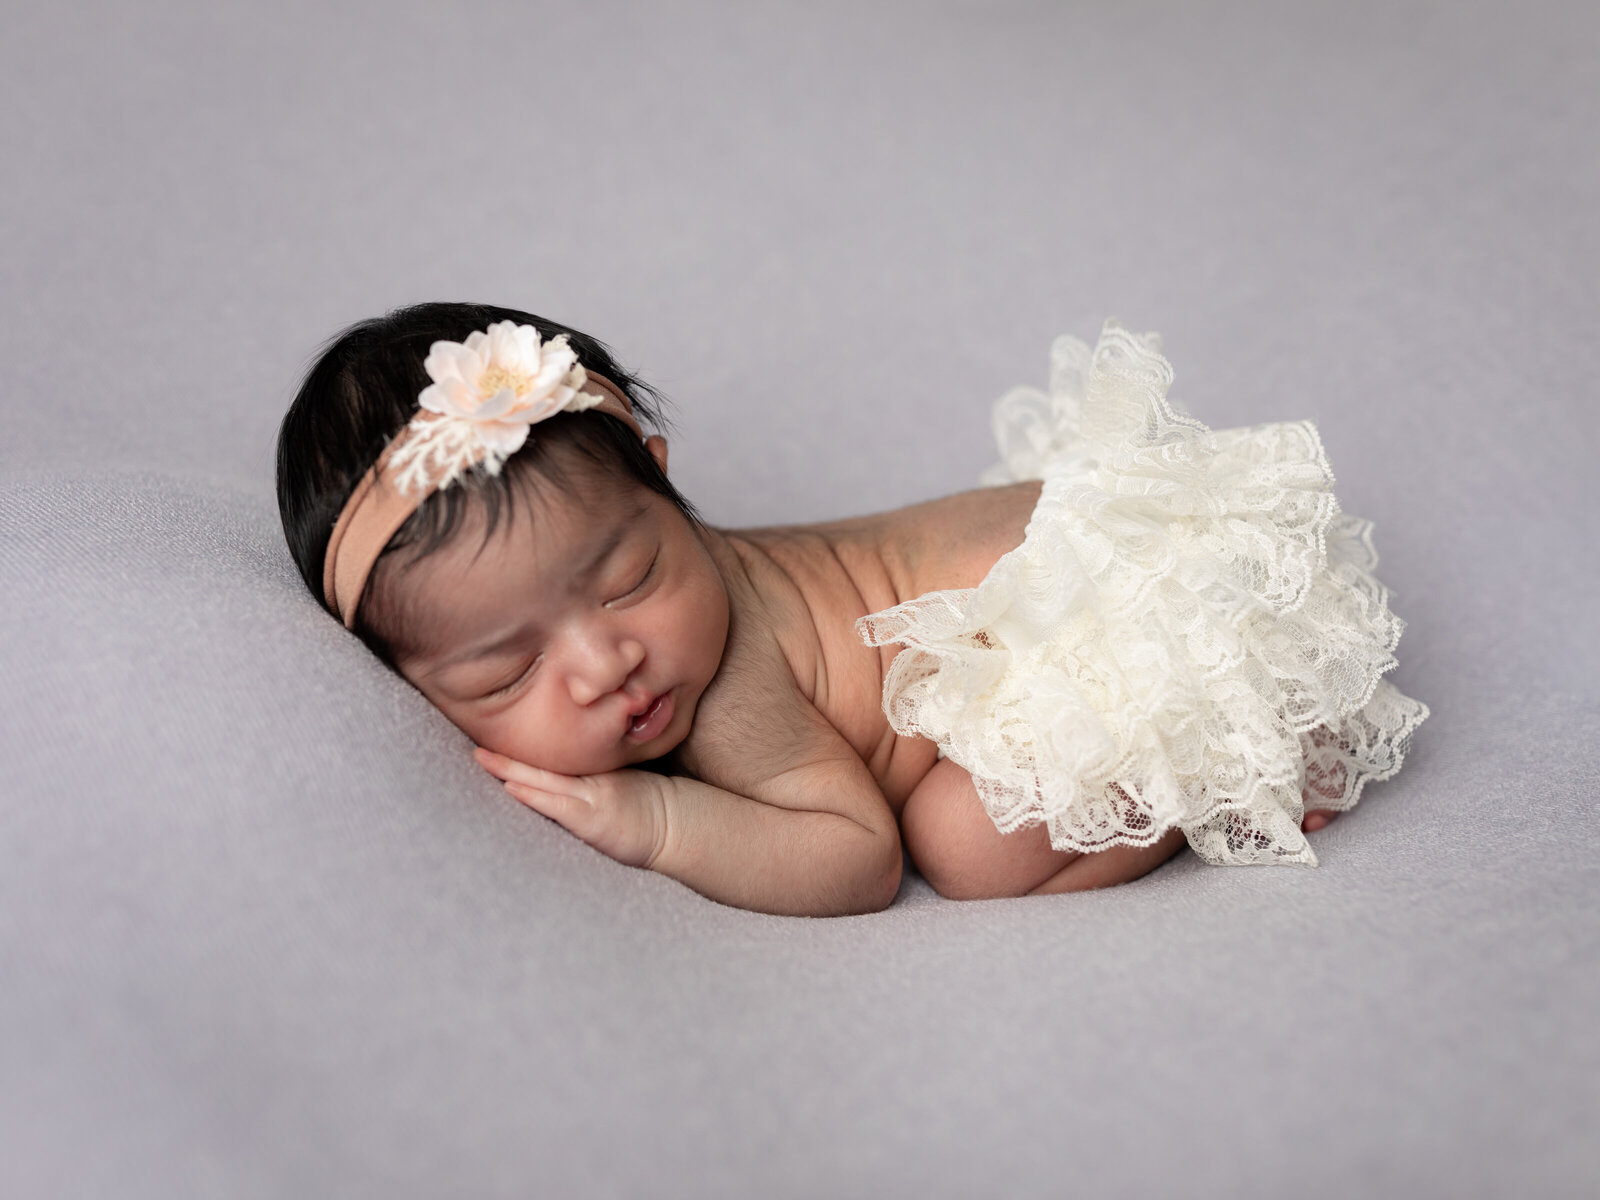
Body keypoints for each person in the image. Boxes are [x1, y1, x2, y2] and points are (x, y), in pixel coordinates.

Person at [276, 303, 1428, 917]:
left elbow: (855, 858)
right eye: (502, 674)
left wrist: (659, 825)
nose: (605, 662)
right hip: (1075, 552)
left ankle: (1224, 753)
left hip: (1123, 605)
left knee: (958, 847)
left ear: (665, 482)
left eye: (628, 578)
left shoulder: (722, 689)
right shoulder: (649, 637)